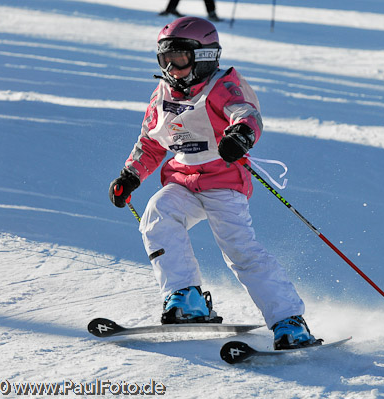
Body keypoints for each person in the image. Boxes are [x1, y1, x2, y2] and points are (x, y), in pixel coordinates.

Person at [108, 17, 318, 350]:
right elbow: (150, 141)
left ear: (203, 56)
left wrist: (241, 135)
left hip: (223, 182)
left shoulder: (222, 86)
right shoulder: (163, 93)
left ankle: (289, 321)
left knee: (239, 250)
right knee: (157, 213)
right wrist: (130, 175)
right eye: (165, 60)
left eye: (179, 59)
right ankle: (186, 299)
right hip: (184, 181)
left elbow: (247, 115)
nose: (172, 69)